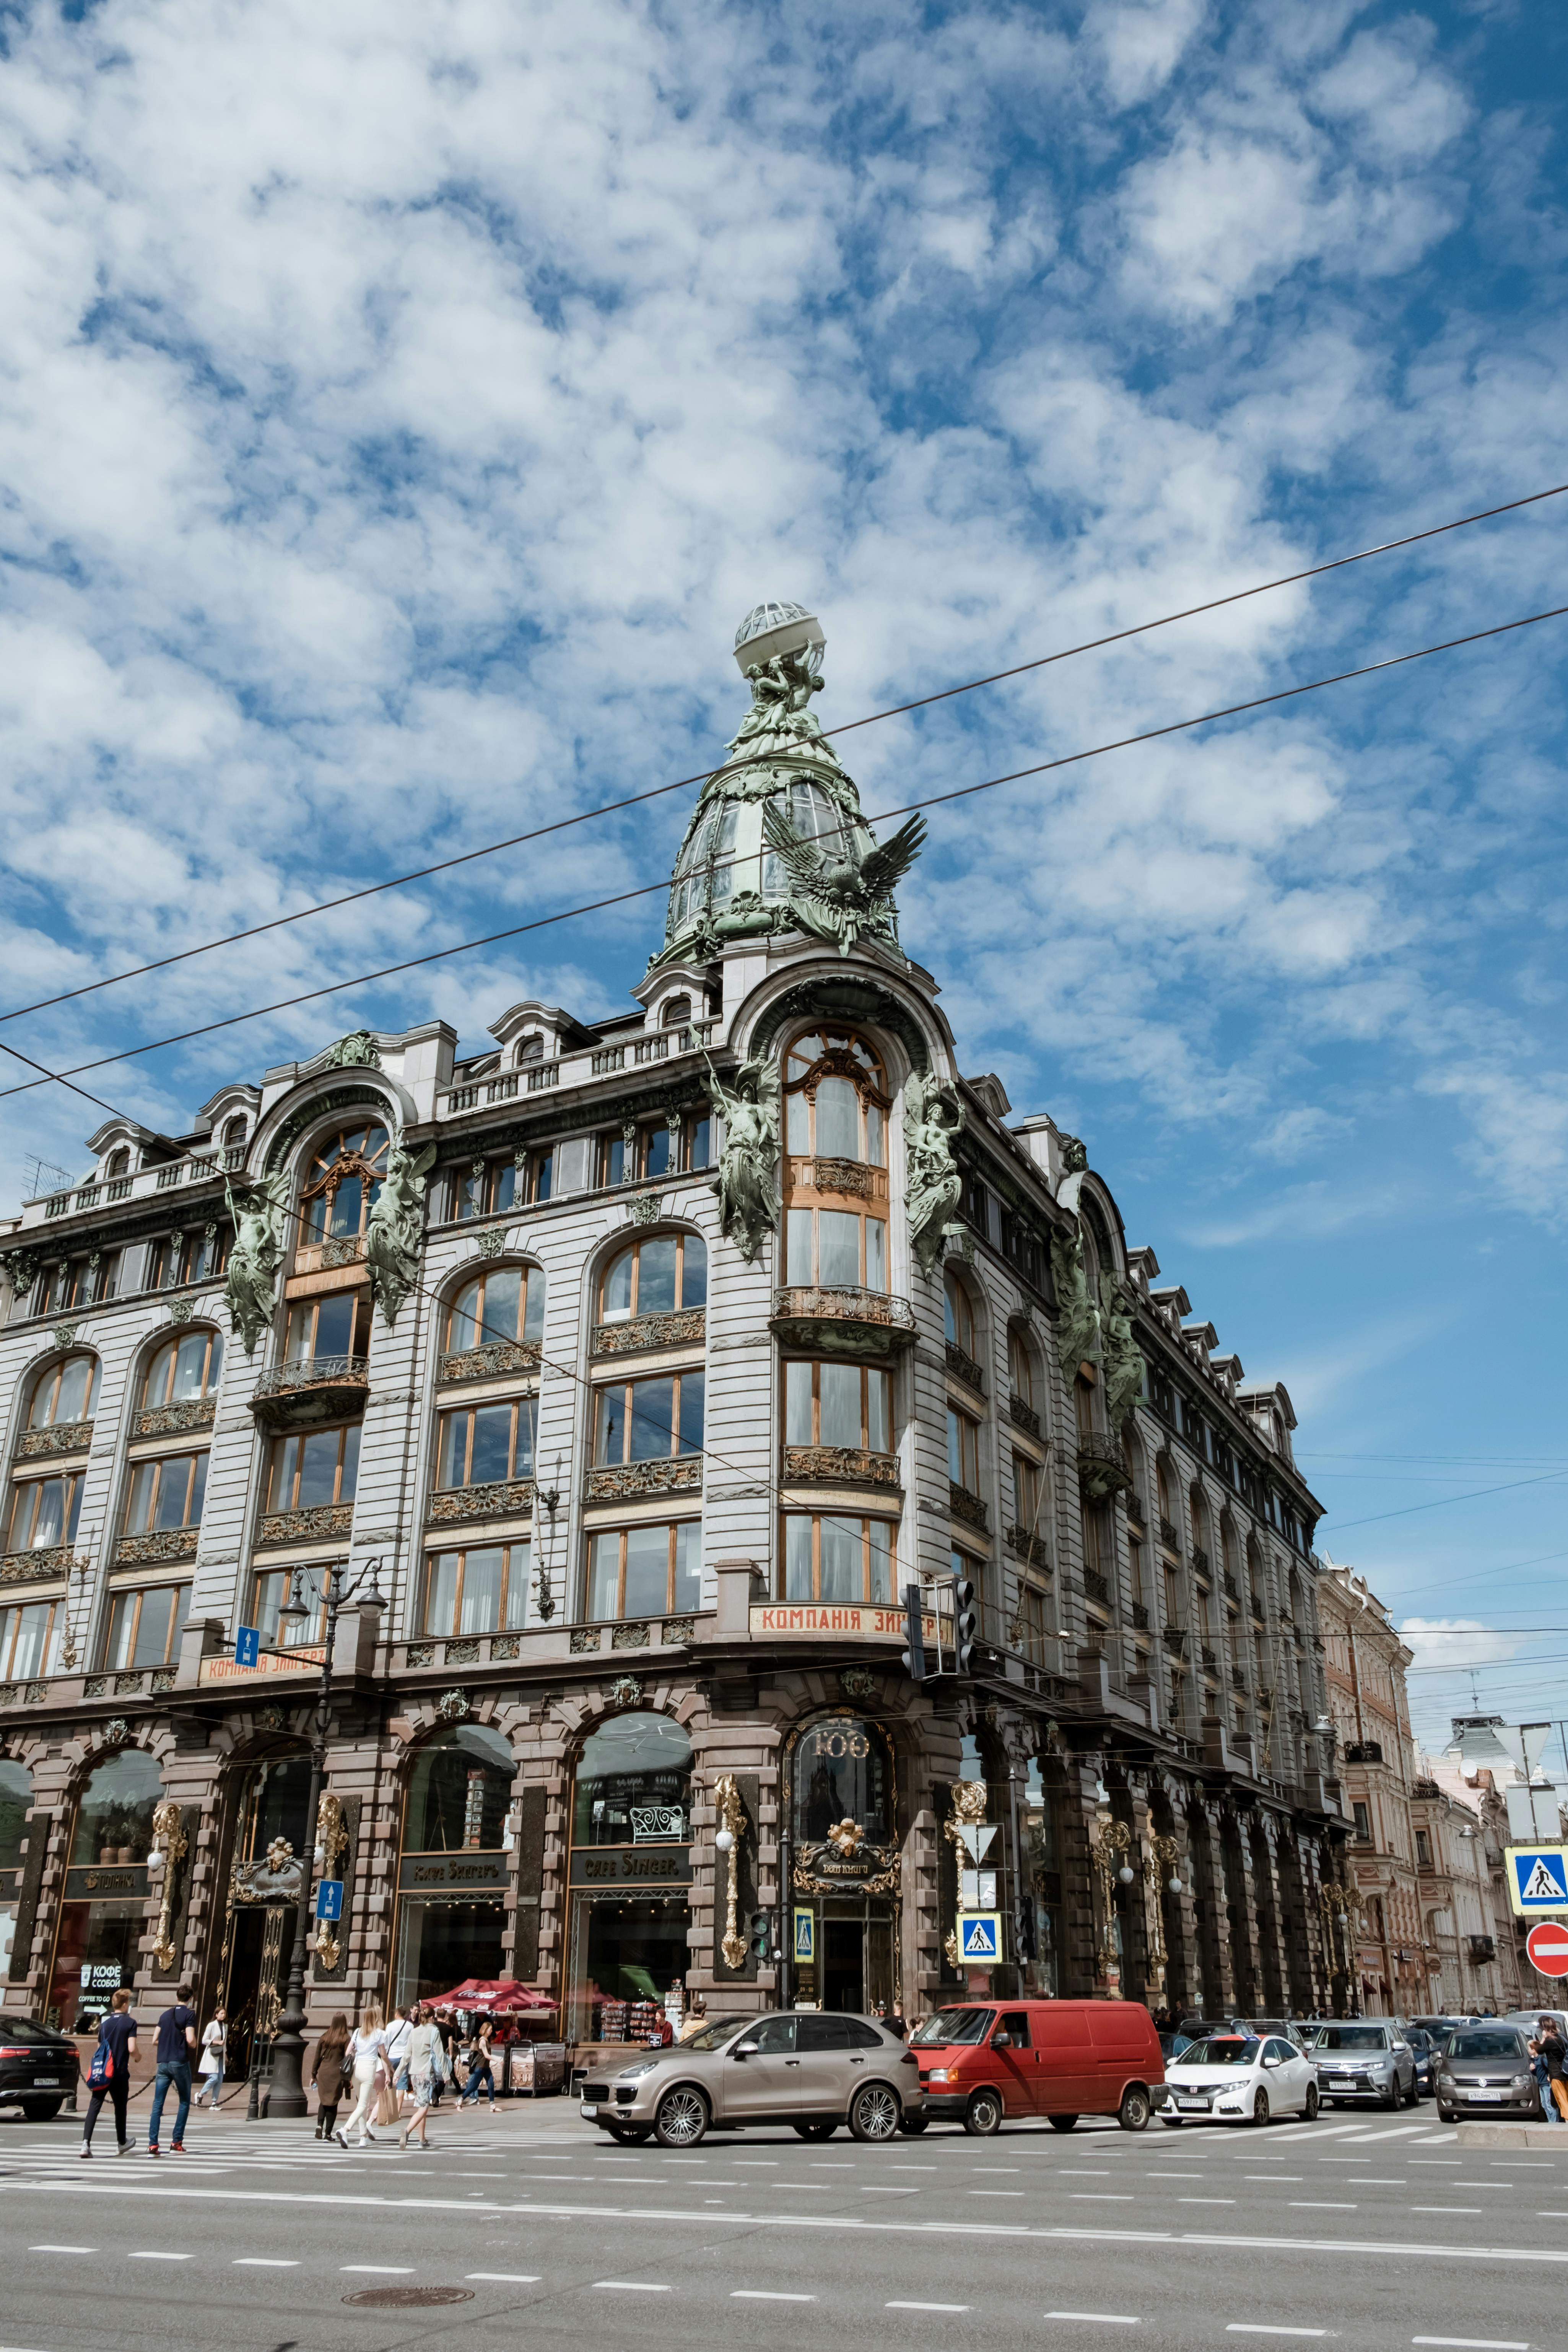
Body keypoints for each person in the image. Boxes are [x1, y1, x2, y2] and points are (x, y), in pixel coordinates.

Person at [81, 1987, 138, 2158]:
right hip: (119, 2072)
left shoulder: (104, 2025)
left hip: (103, 2072)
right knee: (120, 2108)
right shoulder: (130, 2023)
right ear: (125, 2005)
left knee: (95, 2105)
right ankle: (121, 2143)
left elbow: (100, 2050)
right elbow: (132, 2048)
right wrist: (139, 2057)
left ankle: (85, 2144)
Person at [146, 1981, 198, 2154]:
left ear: (177, 1996)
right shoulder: (189, 2015)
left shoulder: (165, 2015)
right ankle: (177, 2143)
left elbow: (154, 2040)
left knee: (157, 2104)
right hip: (179, 2061)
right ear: (190, 1999)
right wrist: (192, 2044)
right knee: (184, 2102)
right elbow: (191, 2040)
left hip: (163, 2063)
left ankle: (153, 2144)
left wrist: (167, 2044)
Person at [399, 2004, 452, 2150]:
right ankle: (407, 2131)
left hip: (414, 2074)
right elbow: (440, 2054)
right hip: (426, 2074)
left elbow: (407, 2056)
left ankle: (422, 2139)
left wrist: (397, 2073)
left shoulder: (414, 2032)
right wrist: (446, 2074)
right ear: (432, 2018)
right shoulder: (433, 2031)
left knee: (421, 2104)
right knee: (424, 2107)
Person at [336, 2004, 388, 2148]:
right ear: (376, 2018)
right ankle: (345, 2130)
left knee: (361, 2105)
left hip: (355, 2070)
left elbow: (347, 2053)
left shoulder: (358, 2032)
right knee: (363, 2105)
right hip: (368, 2070)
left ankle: (364, 2137)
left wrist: (356, 2053)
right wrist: (389, 2066)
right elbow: (383, 2055)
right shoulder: (378, 2034)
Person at [311, 2013, 353, 2141]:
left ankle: (319, 2125)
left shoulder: (324, 2037)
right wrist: (349, 2078)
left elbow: (317, 2057)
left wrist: (314, 2075)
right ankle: (328, 2134)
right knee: (333, 2103)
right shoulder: (346, 2038)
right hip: (337, 2074)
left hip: (324, 2073)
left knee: (324, 2101)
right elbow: (348, 2059)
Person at [460, 2019, 498, 2111]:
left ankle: (492, 2105)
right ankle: (460, 2101)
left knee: (491, 2085)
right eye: (490, 2029)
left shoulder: (486, 2040)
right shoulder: (482, 2041)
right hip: (480, 2067)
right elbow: (486, 2055)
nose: (491, 2031)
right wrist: (498, 2060)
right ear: (485, 2030)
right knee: (474, 2086)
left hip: (486, 2067)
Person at [1537, 2017, 1568, 2122]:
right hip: (1566, 2072)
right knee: (1567, 2098)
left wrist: (1543, 2038)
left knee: (1562, 2099)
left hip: (1556, 2074)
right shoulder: (1562, 2038)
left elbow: (1539, 2051)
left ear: (1546, 2028)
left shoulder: (1549, 2041)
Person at [198, 2006, 226, 2111]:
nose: (223, 2015)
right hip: (212, 2054)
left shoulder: (224, 2026)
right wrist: (217, 2042)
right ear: (216, 2015)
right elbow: (204, 2040)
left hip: (221, 2055)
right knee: (214, 2078)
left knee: (220, 2080)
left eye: (224, 2013)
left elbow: (225, 2043)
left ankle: (214, 2103)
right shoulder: (212, 2025)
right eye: (222, 2013)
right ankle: (201, 2094)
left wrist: (226, 2055)